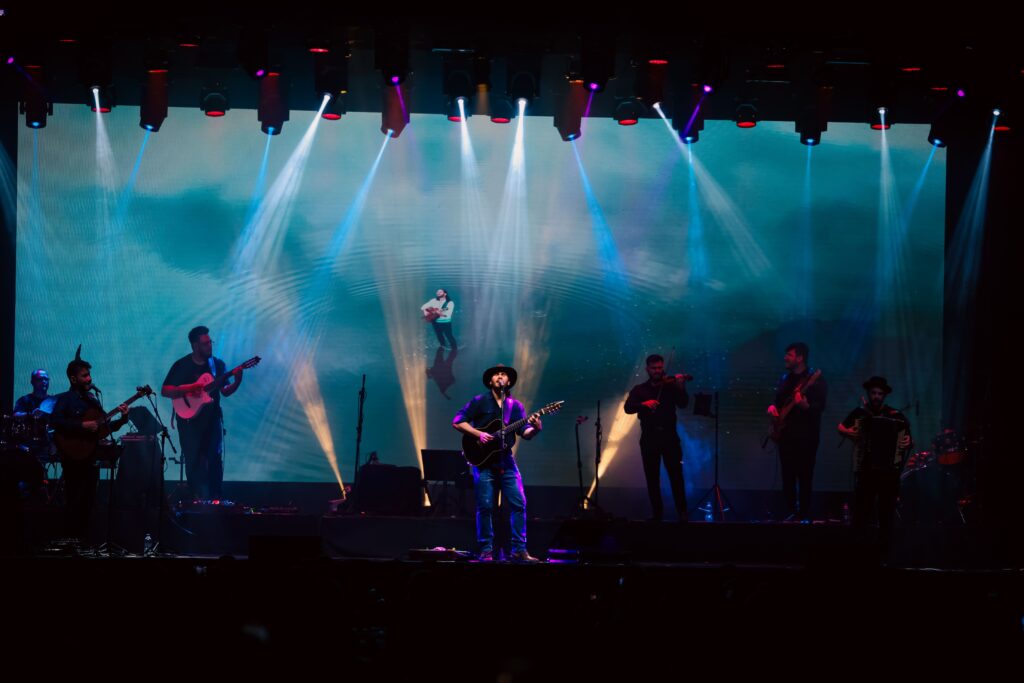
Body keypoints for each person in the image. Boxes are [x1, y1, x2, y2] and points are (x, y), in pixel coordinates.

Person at [453, 364, 542, 562]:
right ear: (490, 381)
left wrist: (536, 428)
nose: (500, 376)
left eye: (503, 374)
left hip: (506, 461)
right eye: (496, 374)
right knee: (485, 506)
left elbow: (525, 433)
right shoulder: (479, 401)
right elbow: (458, 421)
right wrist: (478, 434)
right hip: (483, 462)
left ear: (508, 381)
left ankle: (519, 550)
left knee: (519, 503)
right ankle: (486, 550)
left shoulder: (515, 406)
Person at [50, 347, 129, 540]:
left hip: (90, 456)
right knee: (74, 499)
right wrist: (81, 425)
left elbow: (104, 428)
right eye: (84, 375)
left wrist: (123, 419)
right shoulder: (66, 399)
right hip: (72, 457)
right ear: (73, 379)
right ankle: (69, 540)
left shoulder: (93, 400)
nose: (89, 379)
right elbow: (55, 422)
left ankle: (82, 541)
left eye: (89, 375)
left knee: (89, 500)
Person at [161, 326, 243, 500]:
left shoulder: (217, 365)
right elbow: (165, 390)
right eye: (205, 344)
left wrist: (237, 381)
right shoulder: (182, 365)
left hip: (212, 419)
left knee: (215, 457)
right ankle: (196, 498)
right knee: (193, 459)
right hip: (189, 423)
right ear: (195, 346)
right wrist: (191, 388)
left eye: (210, 342)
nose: (209, 346)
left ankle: (215, 498)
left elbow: (225, 391)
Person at [838, 376, 912, 552]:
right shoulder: (860, 413)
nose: (876, 396)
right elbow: (840, 427)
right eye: (873, 393)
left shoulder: (895, 415)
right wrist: (849, 432)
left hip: (889, 473)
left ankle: (884, 551)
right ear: (868, 393)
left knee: (886, 513)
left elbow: (908, 438)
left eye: (880, 393)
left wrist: (908, 441)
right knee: (862, 512)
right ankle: (859, 550)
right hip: (866, 470)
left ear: (884, 395)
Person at [624, 354, 691, 522]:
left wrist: (680, 385)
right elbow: (628, 408)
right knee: (652, 478)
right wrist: (643, 404)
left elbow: (683, 403)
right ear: (648, 369)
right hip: (649, 438)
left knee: (676, 477)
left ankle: (682, 513)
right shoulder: (640, 389)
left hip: (670, 438)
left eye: (660, 368)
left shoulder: (671, 387)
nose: (657, 371)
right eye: (654, 368)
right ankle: (657, 514)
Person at [767, 342, 828, 522]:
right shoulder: (784, 379)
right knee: (787, 477)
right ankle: (791, 513)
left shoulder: (815, 379)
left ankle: (804, 515)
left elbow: (820, 406)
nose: (785, 358)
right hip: (786, 435)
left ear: (800, 358)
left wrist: (806, 406)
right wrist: (772, 408)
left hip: (807, 437)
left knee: (805, 477)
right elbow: (778, 402)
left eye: (789, 355)